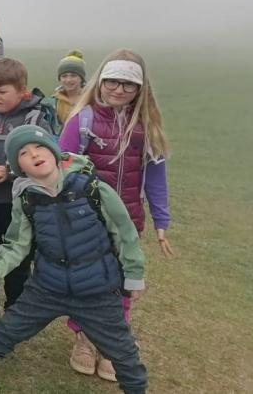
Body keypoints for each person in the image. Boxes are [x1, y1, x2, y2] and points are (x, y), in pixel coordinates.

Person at [0, 125, 148, 394]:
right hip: (47, 286)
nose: (34, 154)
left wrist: (134, 276)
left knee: (122, 349)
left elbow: (125, 233)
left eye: (40, 147)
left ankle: (136, 388)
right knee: (10, 326)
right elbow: (15, 245)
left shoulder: (92, 187)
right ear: (18, 167)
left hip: (97, 289)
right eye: (23, 153)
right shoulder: (26, 199)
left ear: (54, 152)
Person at [58, 49, 174, 381]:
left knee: (122, 282)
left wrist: (161, 221)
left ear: (140, 88)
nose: (119, 90)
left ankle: (110, 343)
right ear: (100, 82)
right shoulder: (83, 121)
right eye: (112, 82)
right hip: (86, 220)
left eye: (128, 84)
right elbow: (61, 167)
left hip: (128, 222)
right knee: (86, 278)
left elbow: (156, 178)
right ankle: (84, 337)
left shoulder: (147, 128)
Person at [0, 58, 55, 335]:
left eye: (2, 91)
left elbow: (48, 161)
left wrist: (8, 172)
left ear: (22, 90)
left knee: (19, 261)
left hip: (23, 206)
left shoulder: (36, 121)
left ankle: (16, 311)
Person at [49, 50, 87, 127]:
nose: (68, 80)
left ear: (81, 78)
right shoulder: (53, 102)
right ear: (60, 79)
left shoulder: (91, 99)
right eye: (64, 76)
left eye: (73, 75)